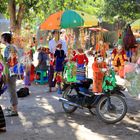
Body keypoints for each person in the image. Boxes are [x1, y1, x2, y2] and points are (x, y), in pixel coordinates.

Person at [1, 32, 18, 117]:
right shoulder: (13, 46)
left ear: (5, 39)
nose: (1, 39)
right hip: (14, 71)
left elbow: (7, 62)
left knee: (11, 90)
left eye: (1, 38)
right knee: (12, 90)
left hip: (10, 72)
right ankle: (13, 107)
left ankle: (14, 110)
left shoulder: (7, 48)